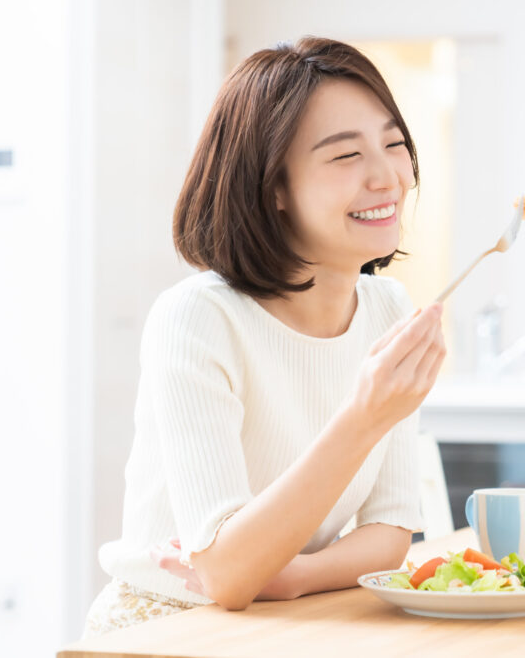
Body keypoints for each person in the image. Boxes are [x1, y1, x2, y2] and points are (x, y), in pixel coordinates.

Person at [81, 37, 446, 638]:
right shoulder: (197, 318)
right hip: (166, 627)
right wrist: (363, 416)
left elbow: (389, 535)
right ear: (273, 187)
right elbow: (224, 576)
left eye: (394, 145)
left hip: (298, 615)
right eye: (344, 156)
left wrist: (289, 574)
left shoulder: (389, 309)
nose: (387, 177)